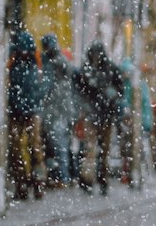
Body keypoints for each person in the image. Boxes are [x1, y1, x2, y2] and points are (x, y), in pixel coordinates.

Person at [76, 41, 124, 195]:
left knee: (103, 150)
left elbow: (120, 89)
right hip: (94, 115)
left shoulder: (109, 69)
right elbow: (81, 91)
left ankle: (101, 180)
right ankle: (89, 180)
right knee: (91, 150)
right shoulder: (88, 69)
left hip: (105, 115)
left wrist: (113, 95)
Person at [7, 30, 46, 200]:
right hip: (18, 110)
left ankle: (36, 182)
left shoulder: (36, 62)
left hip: (30, 110)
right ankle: (22, 182)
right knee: (17, 147)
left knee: (33, 147)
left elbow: (42, 85)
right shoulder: (13, 62)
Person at [39, 35, 75, 187]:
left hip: (56, 111)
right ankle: (60, 176)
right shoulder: (57, 63)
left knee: (58, 145)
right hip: (55, 111)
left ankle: (62, 177)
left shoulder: (56, 64)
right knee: (57, 145)